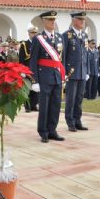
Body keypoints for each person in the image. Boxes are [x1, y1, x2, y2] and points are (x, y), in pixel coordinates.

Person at [29, 10, 65, 143]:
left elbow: (62, 59)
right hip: (44, 77)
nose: (53, 22)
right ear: (44, 21)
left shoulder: (60, 37)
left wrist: (63, 75)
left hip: (56, 76)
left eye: (54, 20)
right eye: (50, 20)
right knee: (44, 106)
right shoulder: (38, 39)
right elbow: (33, 61)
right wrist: (35, 81)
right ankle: (43, 131)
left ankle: (52, 130)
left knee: (56, 105)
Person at [62, 11, 89, 132]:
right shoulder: (66, 35)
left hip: (82, 72)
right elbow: (63, 56)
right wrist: (64, 73)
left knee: (79, 99)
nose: (82, 21)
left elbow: (85, 54)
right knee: (71, 99)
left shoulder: (84, 35)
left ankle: (78, 120)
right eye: (80, 19)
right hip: (71, 73)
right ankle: (70, 122)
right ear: (73, 20)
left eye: (83, 19)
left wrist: (86, 70)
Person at [19, 26, 39, 112]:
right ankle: (27, 106)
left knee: (35, 87)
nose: (34, 35)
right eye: (32, 33)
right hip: (27, 69)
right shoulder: (24, 44)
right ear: (29, 34)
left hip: (36, 69)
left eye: (35, 33)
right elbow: (21, 58)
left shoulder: (38, 43)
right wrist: (22, 70)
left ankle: (34, 105)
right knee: (27, 88)